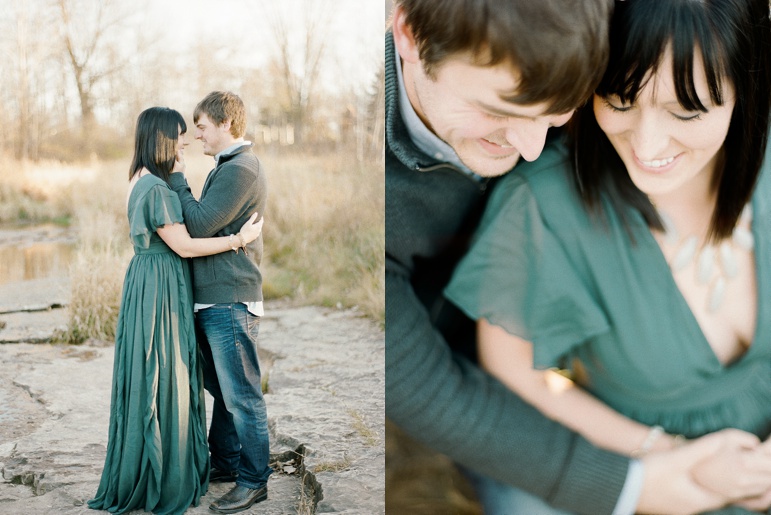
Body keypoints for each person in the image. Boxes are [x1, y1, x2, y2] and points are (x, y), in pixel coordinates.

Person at [385, 0, 771, 513]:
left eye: (685, 111)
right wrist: (650, 470)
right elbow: (455, 378)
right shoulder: (541, 200)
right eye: (619, 99)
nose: (530, 147)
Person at [88, 106, 263, 515]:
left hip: (148, 280)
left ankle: (184, 461)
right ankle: (162, 471)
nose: (184, 147)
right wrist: (238, 239)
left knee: (160, 371)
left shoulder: (139, 179)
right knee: (162, 371)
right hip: (160, 287)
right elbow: (184, 245)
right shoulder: (156, 189)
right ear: (163, 140)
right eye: (180, 140)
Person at [167, 91, 271, 514]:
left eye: (203, 126)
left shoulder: (241, 169)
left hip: (230, 298)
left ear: (226, 124)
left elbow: (197, 223)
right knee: (225, 391)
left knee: (242, 396)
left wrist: (177, 176)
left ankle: (253, 481)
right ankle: (226, 464)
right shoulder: (226, 167)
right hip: (215, 299)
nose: (198, 134)